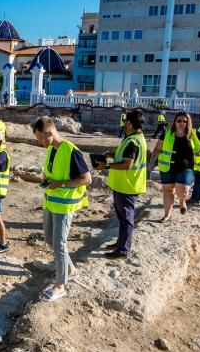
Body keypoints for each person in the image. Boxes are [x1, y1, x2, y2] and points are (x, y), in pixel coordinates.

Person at [31, 116, 91, 302]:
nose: (40, 143)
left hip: (64, 206)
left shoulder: (71, 151)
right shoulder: (52, 149)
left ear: (50, 132)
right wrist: (48, 181)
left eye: (41, 138)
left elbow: (87, 179)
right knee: (49, 239)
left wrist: (62, 183)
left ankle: (60, 285)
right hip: (51, 201)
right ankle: (71, 269)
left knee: (59, 244)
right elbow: (54, 173)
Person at [97, 110, 147, 259]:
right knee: (122, 218)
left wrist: (106, 165)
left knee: (126, 219)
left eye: (125, 122)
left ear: (130, 123)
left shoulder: (133, 141)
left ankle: (123, 249)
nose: (123, 125)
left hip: (127, 186)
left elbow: (127, 164)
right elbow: (124, 157)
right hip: (124, 185)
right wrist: (112, 156)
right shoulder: (135, 138)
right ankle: (120, 243)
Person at [149, 111, 200, 222]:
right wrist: (151, 161)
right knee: (168, 191)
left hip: (185, 168)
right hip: (168, 167)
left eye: (184, 121)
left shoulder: (194, 133)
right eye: (179, 121)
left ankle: (182, 201)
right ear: (175, 122)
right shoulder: (167, 133)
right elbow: (158, 148)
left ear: (188, 122)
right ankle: (167, 215)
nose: (181, 123)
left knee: (182, 191)